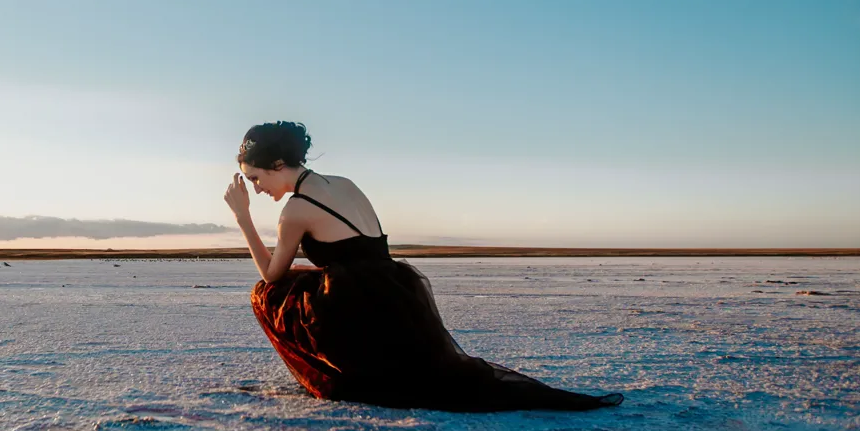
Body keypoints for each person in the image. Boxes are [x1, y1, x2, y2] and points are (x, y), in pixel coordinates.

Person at [224, 121, 622, 412]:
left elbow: (271, 273)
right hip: (392, 291)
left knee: (268, 294)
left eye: (255, 179)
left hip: (356, 301)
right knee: (306, 284)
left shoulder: (296, 209)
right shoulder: (343, 183)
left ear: (278, 163)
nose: (257, 190)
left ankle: (331, 378)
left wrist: (243, 218)